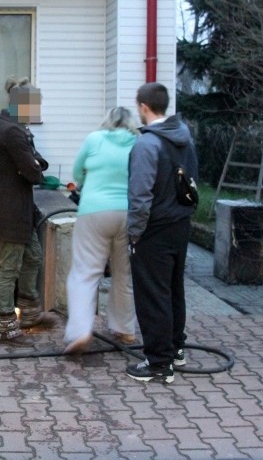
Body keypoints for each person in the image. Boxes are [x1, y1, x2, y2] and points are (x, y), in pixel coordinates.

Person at [126, 82, 199, 384]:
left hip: (153, 230)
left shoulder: (147, 145)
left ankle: (158, 363)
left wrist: (134, 234)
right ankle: (175, 348)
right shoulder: (184, 139)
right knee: (172, 290)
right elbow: (193, 183)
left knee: (152, 295)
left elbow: (140, 195)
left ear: (143, 106)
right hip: (180, 225)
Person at [0, 78, 61, 346]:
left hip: (21, 207)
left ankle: (29, 314)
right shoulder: (12, 131)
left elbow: (32, 165)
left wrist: (34, 163)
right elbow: (33, 173)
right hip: (10, 209)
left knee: (34, 257)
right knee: (10, 267)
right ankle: (5, 326)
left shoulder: (15, 127)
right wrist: (34, 166)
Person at [63, 107, 139, 354]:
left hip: (94, 212)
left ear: (107, 120)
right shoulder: (138, 142)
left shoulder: (95, 139)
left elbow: (76, 172)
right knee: (124, 273)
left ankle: (81, 331)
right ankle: (125, 330)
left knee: (86, 272)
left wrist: (85, 182)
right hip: (128, 213)